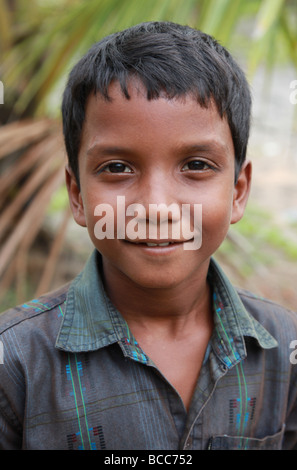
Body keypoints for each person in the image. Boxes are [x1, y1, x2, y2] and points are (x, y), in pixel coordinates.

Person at [0, 21, 296, 451]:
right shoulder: (15, 362)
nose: (156, 207)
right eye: (117, 168)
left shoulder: (283, 346)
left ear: (238, 191)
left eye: (196, 165)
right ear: (77, 194)